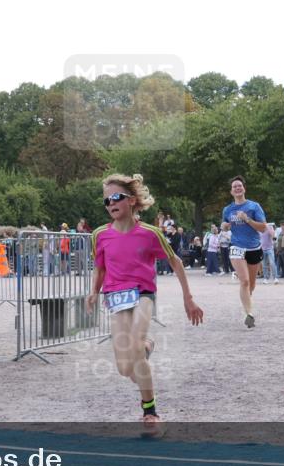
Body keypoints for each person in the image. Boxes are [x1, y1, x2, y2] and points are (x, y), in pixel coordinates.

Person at [86, 173, 203, 432]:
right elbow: (100, 268)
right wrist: (94, 291)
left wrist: (188, 298)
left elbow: (176, 262)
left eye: (116, 197)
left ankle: (149, 411)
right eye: (106, 201)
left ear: (132, 201)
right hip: (115, 297)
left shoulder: (150, 233)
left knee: (135, 349)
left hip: (142, 294)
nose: (111, 204)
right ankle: (147, 346)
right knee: (124, 368)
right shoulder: (99, 235)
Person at [221, 176, 268, 328]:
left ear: (244, 189)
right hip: (236, 246)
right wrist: (224, 226)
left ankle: (247, 304)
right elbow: (224, 224)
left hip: (253, 247)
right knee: (245, 281)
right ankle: (249, 314)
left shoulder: (254, 207)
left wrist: (247, 219)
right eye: (234, 186)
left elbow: (263, 228)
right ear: (231, 191)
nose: (237, 188)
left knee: (252, 285)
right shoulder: (228, 209)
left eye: (239, 186)